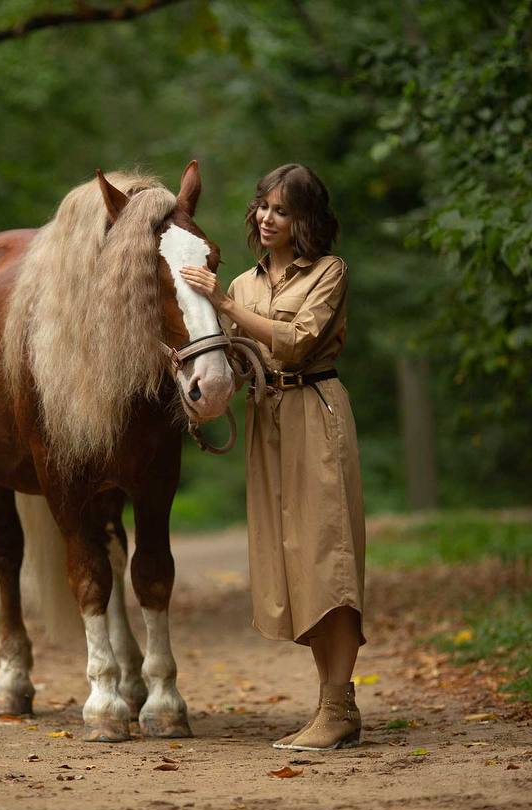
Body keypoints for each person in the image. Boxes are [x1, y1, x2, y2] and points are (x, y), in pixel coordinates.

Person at [181, 163, 366, 751]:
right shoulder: (243, 281)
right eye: (262, 205)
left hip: (316, 412)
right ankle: (333, 708)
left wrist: (226, 308)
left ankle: (338, 708)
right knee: (292, 561)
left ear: (305, 220)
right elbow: (239, 366)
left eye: (281, 210)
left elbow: (297, 341)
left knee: (325, 559)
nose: (266, 217)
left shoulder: (329, 273)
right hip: (270, 422)